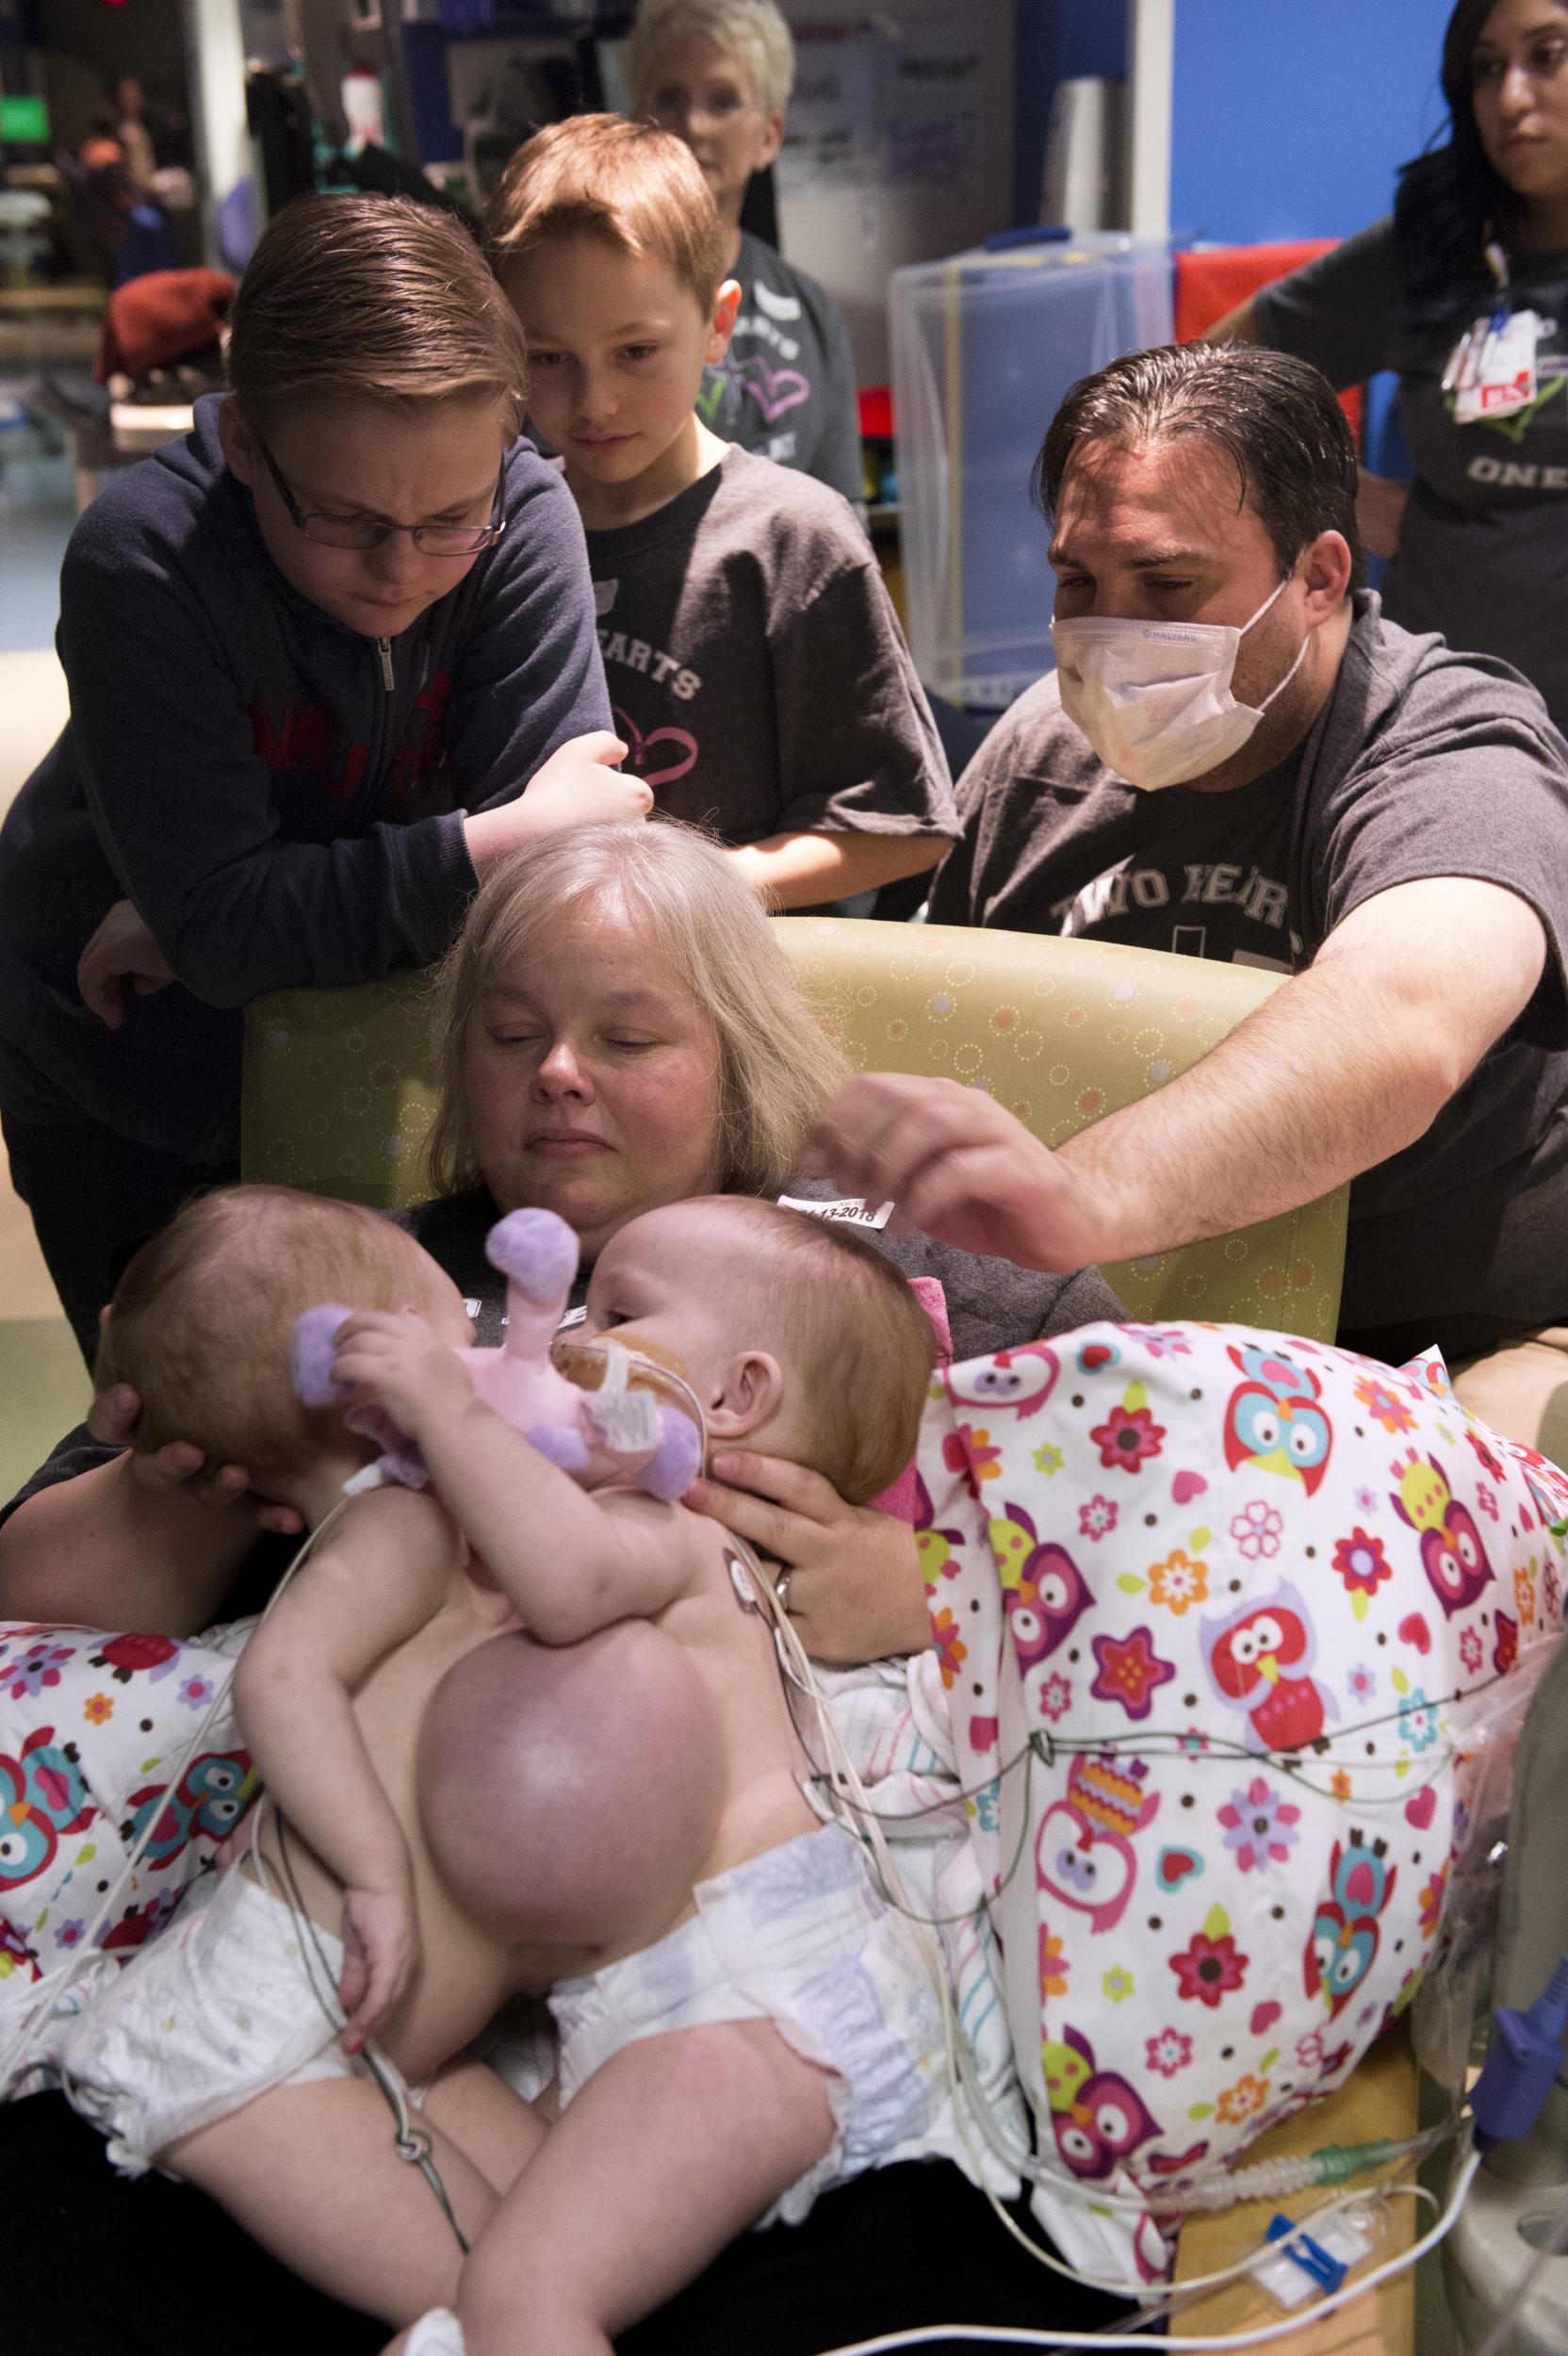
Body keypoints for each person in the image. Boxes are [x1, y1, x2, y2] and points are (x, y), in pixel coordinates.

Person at [0, 821, 1127, 2356]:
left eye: (628, 1037)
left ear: (738, 1050)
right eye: (509, 1033)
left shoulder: (887, 1274)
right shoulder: (356, 1286)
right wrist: (183, 1477)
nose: (554, 1076)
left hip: (713, 1978)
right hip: (389, 1992)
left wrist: (922, 1584)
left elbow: (1134, 1574)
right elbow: (37, 1599)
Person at [54, 1181, 987, 2356]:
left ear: (736, 1397)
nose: (559, 1342)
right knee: (508, 2260)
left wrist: (452, 1414)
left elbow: (562, 1583)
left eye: (613, 1315)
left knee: (523, 2301)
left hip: (753, 1994)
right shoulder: (585, 1518)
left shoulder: (672, 1533)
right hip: (613, 2009)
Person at [885, 340, 1568, 1451]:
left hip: (1434, 1346)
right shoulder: (1033, 759)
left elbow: (1404, 1020)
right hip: (1122, 1349)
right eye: (1076, 581)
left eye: (1166, 585)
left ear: (1317, 578)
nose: (1109, 630)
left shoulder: (1449, 743)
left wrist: (1079, 1197)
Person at [0, 191, 644, 1366]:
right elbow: (234, 931)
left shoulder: (522, 509)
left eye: (452, 515)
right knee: (185, 1442)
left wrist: (246, 910)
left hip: (378, 1069)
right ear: (244, 441)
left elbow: (555, 904)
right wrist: (486, 842)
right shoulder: (144, 559)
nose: (402, 569)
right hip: (128, 1081)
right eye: (345, 519)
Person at [484, 117, 955, 911]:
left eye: (636, 351)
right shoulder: (492, 526)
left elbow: (900, 826)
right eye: (548, 357)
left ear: (717, 324)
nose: (594, 401)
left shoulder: (796, 540)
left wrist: (677, 896)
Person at [1206, 0, 1568, 734]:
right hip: (1447, 719)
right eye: (1487, 68)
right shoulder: (1433, 247)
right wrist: (1345, 504)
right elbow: (1211, 380)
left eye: (1548, 55)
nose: (1512, 98)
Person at [622, 0, 863, 506]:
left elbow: (843, 513)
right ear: (636, 122)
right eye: (669, 97)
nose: (694, 125)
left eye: (723, 100)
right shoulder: (592, 298)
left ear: (769, 137)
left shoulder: (813, 315)